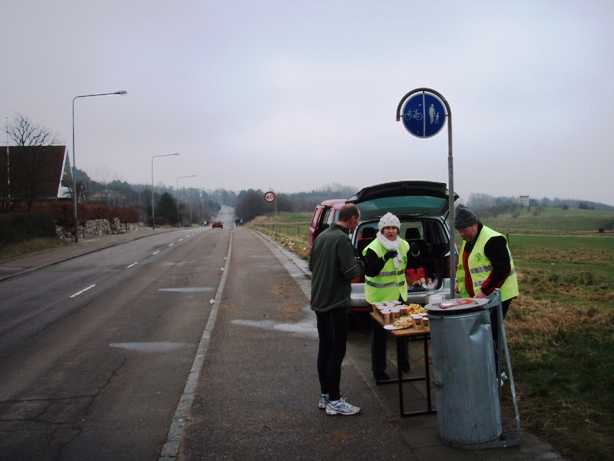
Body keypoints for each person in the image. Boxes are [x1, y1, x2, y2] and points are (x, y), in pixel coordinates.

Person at [309, 203, 364, 416]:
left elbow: (312, 266)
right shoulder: (342, 238)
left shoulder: (322, 236)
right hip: (335, 303)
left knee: (325, 348)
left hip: (319, 301)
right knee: (336, 351)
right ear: (351, 220)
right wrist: (362, 263)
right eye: (357, 220)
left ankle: (325, 395)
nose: (357, 224)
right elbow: (351, 272)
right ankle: (334, 400)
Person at [454, 205, 519, 371]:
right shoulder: (468, 241)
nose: (461, 234)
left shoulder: (492, 240)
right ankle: (484, 368)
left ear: (474, 223)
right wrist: (459, 283)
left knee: (491, 333)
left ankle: (496, 374)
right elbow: (465, 266)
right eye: (459, 231)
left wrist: (484, 291)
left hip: (497, 295)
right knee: (482, 333)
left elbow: (502, 269)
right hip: (480, 297)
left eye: (464, 230)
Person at [362, 212, 410, 381]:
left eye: (394, 228)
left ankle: (404, 363)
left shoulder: (403, 245)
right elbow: (370, 271)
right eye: (387, 228)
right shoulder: (374, 247)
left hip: (399, 296)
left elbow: (410, 265)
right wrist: (383, 258)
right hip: (379, 298)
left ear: (398, 229)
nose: (390, 231)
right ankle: (379, 370)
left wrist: (418, 253)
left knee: (403, 329)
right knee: (379, 335)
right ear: (381, 230)